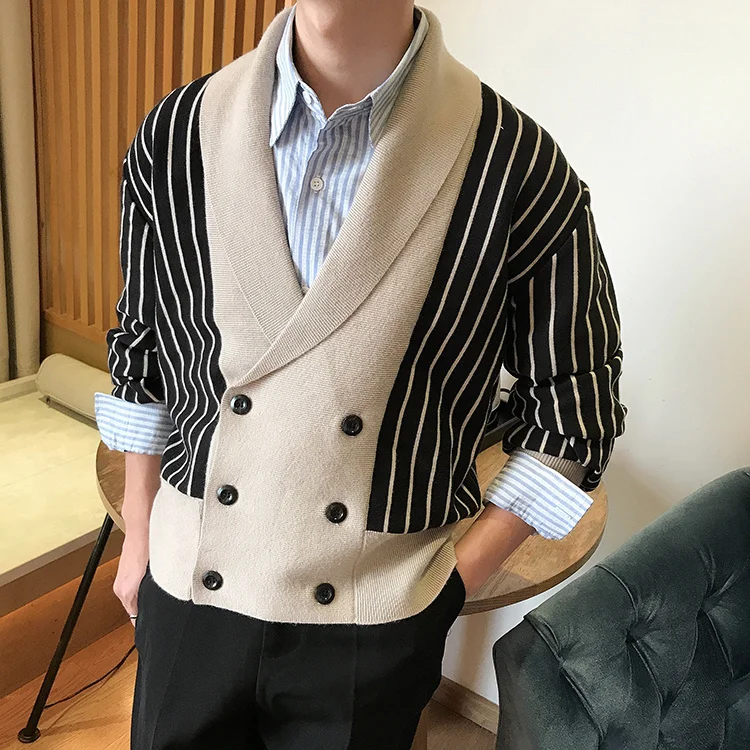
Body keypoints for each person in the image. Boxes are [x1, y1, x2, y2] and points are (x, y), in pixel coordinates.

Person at [94, 2, 626, 748]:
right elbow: (141, 351)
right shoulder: (174, 135)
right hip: (186, 586)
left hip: (370, 625)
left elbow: (578, 420)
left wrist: (447, 590)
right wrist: (140, 532)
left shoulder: (519, 168)